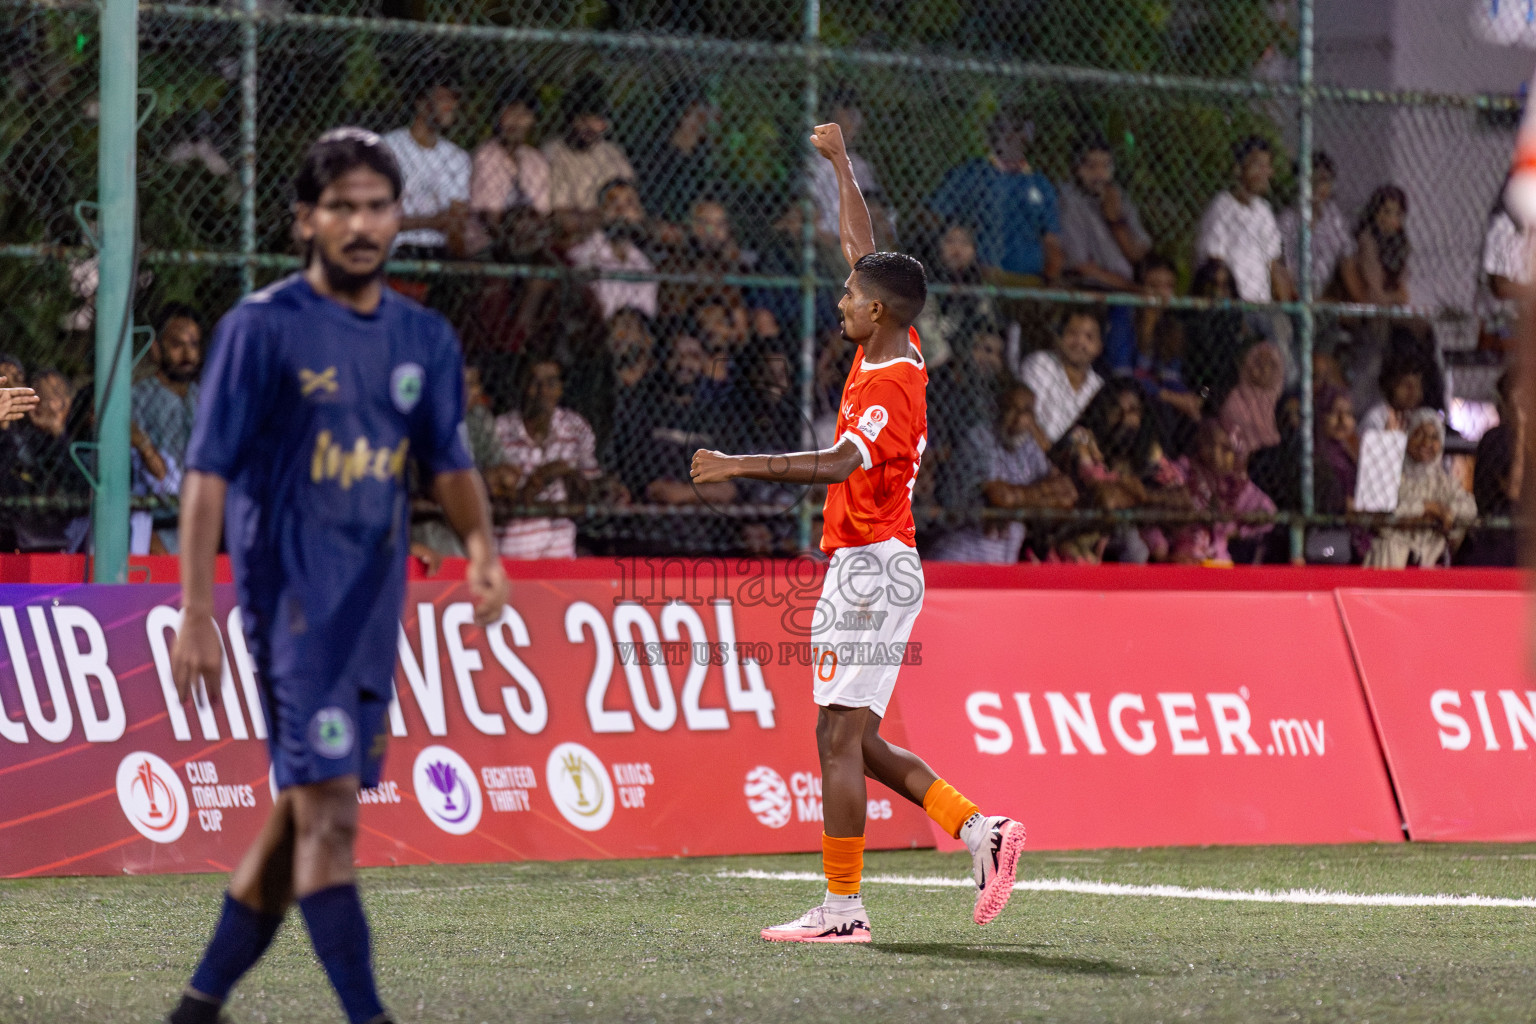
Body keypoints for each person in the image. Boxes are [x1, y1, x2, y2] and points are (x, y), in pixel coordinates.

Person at [164, 128, 507, 1024]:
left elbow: (446, 460)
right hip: (291, 611)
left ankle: (197, 1008)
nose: (361, 224)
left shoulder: (423, 338)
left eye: (377, 206)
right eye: (341, 207)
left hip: (370, 609)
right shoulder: (260, 328)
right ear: (306, 220)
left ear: (398, 216)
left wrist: (480, 548)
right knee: (331, 823)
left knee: (299, 817)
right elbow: (205, 474)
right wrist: (197, 608)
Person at [690, 121, 1025, 944]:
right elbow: (860, 244)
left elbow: (838, 463)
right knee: (855, 739)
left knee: (836, 738)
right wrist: (841, 163)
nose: (839, 299)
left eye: (848, 296)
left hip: (870, 570)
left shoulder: (888, 387)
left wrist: (739, 463)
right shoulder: (892, 335)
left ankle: (843, 912)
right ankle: (981, 831)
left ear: (873, 312)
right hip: (883, 565)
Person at [931, 382, 1076, 563]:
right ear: (998, 410)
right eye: (1012, 410)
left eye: (1026, 412)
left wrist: (1018, 498)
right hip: (961, 556)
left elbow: (1067, 493)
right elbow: (1000, 498)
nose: (1019, 420)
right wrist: (1040, 497)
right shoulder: (980, 438)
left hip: (1002, 562)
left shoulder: (1027, 445)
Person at [927, 112, 1063, 286]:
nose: (1012, 136)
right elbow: (936, 217)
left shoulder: (1040, 183)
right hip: (980, 275)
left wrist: (1050, 278)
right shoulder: (971, 174)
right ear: (994, 135)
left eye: (1019, 130)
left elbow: (1052, 239)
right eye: (1005, 129)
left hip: (1030, 278)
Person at [493, 358, 606, 559]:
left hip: (559, 542)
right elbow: (501, 504)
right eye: (534, 383)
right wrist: (541, 477)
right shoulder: (500, 430)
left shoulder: (575, 427)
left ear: (560, 389)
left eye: (551, 383)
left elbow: (588, 493)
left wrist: (568, 472)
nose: (543, 391)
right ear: (521, 386)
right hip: (512, 544)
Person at [132, 303, 204, 550]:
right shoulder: (139, 396)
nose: (187, 354)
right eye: (176, 344)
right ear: (156, 348)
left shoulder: (206, 398)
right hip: (155, 524)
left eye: (193, 344)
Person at [1363, 409, 1475, 568]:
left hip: (1428, 558)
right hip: (1389, 560)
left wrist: (1445, 512)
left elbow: (1469, 508)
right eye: (1418, 434)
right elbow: (1382, 512)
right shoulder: (1389, 474)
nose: (1426, 442)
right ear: (1407, 438)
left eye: (1434, 437)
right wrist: (1428, 507)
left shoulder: (1443, 482)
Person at [1195, 136, 1296, 305]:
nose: (1266, 172)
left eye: (1268, 166)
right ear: (1238, 169)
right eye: (1258, 165)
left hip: (1261, 306)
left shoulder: (1263, 210)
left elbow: (1274, 265)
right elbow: (1215, 265)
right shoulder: (1222, 207)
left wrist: (1289, 309)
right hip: (1231, 306)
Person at [381, 77, 472, 260]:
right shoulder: (388, 148)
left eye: (454, 99)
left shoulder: (457, 157)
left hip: (439, 249)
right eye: (443, 98)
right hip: (397, 248)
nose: (451, 105)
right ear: (421, 102)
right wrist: (435, 221)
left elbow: (456, 221)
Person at [543, 74, 636, 234]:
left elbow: (632, 207)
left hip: (613, 232)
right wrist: (608, 216)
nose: (590, 127)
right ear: (571, 118)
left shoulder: (611, 153)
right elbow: (562, 217)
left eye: (598, 120)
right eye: (584, 118)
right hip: (575, 236)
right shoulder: (554, 153)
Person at [1057, 135, 1151, 293]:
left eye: (1106, 166)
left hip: (1125, 285)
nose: (1100, 174)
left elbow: (1140, 253)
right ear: (1076, 169)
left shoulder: (1118, 198)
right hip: (1091, 289)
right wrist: (1133, 289)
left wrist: (1115, 221)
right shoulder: (1069, 202)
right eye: (1091, 167)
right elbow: (1081, 268)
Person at [469, 78, 551, 255]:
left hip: (529, 241)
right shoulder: (486, 155)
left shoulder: (536, 160)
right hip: (489, 244)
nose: (516, 121)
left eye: (524, 114)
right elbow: (490, 218)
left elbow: (542, 213)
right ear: (498, 116)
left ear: (532, 121)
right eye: (510, 111)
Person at [566, 179, 661, 321]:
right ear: (601, 212)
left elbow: (646, 316)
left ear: (640, 215)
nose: (620, 210)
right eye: (613, 203)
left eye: (629, 204)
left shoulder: (645, 266)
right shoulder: (582, 256)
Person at [1018, 307, 1105, 445]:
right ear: (1059, 337)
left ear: (1099, 347)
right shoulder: (1040, 364)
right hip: (1030, 456)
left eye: (1089, 337)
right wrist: (1052, 458)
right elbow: (1027, 420)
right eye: (1072, 333)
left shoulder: (1099, 386)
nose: (1080, 342)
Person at [1277, 151, 1354, 299]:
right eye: (1312, 181)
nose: (1319, 187)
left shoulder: (1334, 218)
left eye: (1325, 180)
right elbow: (1282, 270)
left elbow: (1347, 260)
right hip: (1295, 297)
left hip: (1326, 295)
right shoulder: (1287, 221)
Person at [1347, 185, 1411, 307]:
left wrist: (1395, 297)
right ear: (1376, 213)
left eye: (1398, 213)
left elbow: (1402, 290)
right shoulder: (1367, 239)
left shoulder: (1397, 243)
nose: (1391, 219)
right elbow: (1372, 281)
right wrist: (1390, 299)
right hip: (1367, 300)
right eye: (1387, 212)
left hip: (1387, 300)